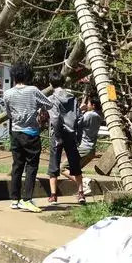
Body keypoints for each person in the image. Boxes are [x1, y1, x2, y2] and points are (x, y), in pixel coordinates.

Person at [3, 60, 53, 213]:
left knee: (17, 166)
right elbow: (49, 104)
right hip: (31, 133)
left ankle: (14, 199)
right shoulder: (33, 90)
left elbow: (9, 114)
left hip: (16, 133)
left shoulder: (7, 93)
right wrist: (39, 109)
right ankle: (27, 199)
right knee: (31, 166)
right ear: (28, 75)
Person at [46, 72, 83, 206]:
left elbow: (55, 118)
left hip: (58, 134)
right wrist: (78, 135)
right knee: (75, 164)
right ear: (63, 83)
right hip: (71, 133)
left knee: (53, 165)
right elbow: (79, 117)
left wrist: (57, 134)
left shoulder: (51, 98)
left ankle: (53, 195)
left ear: (51, 84)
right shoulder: (73, 97)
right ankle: (80, 193)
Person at [77, 95, 102, 169]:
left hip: (84, 147)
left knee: (63, 168)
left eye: (88, 103)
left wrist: (80, 109)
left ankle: (86, 181)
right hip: (91, 149)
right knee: (76, 170)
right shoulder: (98, 116)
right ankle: (84, 180)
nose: (87, 105)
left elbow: (74, 122)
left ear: (93, 105)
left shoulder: (89, 114)